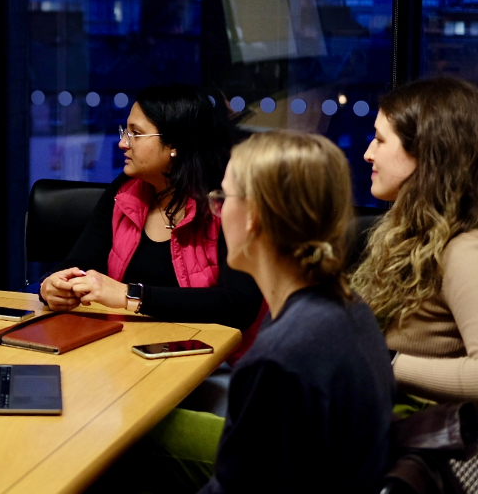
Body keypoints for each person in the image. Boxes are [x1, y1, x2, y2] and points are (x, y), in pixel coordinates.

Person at [197, 131, 395, 493]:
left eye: (223, 196)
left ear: (254, 214)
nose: (217, 210)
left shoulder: (279, 359)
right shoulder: (344, 302)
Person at [39, 85, 264, 362]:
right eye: (126, 131)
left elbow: (239, 305)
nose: (123, 143)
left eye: (136, 133)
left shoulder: (224, 203)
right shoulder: (124, 191)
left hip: (206, 361)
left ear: (174, 145)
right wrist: (51, 287)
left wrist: (130, 295)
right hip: (127, 353)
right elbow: (74, 265)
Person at [352, 77, 478, 404]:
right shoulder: (410, 230)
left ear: (424, 152)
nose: (368, 153)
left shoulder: (462, 249)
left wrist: (385, 361)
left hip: (412, 436)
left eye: (380, 140)